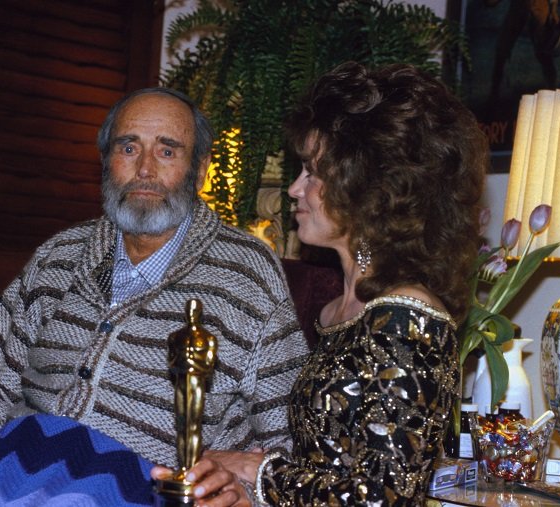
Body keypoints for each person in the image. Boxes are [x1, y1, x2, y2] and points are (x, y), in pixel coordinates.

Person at [0, 87, 309, 507]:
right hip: (8, 476)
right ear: (107, 161)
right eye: (129, 148)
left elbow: (292, 441)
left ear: (199, 171)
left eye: (166, 152)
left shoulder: (248, 273)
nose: (144, 169)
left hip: (141, 493)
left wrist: (250, 493)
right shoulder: (60, 255)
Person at [153, 62, 487, 505]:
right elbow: (329, 465)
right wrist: (243, 488)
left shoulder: (407, 321)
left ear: (366, 185)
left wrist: (259, 472)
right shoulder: (339, 309)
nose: (294, 189)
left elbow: (383, 496)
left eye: (312, 172)